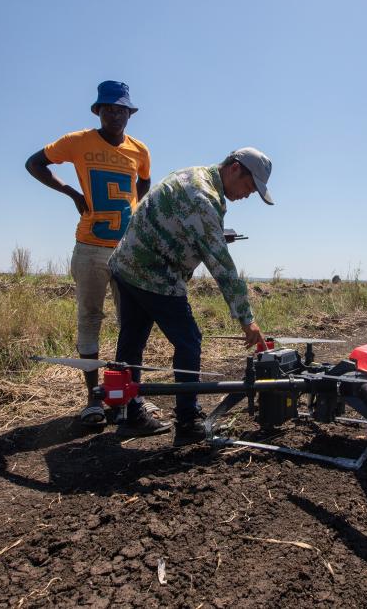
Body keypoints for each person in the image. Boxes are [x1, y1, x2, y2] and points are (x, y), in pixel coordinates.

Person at [25, 81, 164, 436]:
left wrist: (134, 212)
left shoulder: (140, 150)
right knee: (89, 318)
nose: (115, 115)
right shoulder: (77, 142)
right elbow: (34, 163)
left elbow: (144, 185)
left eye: (121, 110)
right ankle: (93, 399)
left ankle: (129, 397)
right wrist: (70, 191)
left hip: (127, 252)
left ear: (130, 114)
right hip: (90, 248)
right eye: (108, 109)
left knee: (131, 325)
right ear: (97, 111)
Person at [109, 148, 271, 445]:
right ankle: (188, 420)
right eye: (249, 187)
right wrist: (247, 319)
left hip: (127, 265)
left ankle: (127, 412)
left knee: (132, 340)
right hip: (153, 274)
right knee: (189, 340)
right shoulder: (205, 199)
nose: (247, 195)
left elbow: (181, 225)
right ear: (235, 169)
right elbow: (222, 266)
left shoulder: (196, 176)